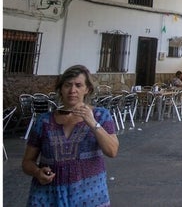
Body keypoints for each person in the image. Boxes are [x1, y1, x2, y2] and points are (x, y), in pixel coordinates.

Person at [22, 64, 119, 206]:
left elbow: (112, 151)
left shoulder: (100, 115)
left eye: (78, 85)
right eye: (68, 85)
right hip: (48, 197)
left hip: (89, 197)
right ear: (61, 89)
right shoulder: (44, 121)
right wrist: (37, 172)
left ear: (87, 89)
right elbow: (27, 162)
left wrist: (92, 122)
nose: (73, 90)